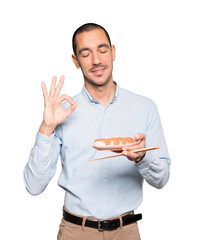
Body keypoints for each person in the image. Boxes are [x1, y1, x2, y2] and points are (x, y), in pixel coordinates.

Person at [24, 23, 171, 240]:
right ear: (76, 61)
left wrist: (143, 158)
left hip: (126, 232)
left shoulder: (144, 108)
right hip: (76, 232)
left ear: (113, 52)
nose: (96, 60)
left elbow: (162, 179)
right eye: (86, 53)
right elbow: (34, 186)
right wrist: (47, 127)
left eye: (102, 50)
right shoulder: (61, 112)